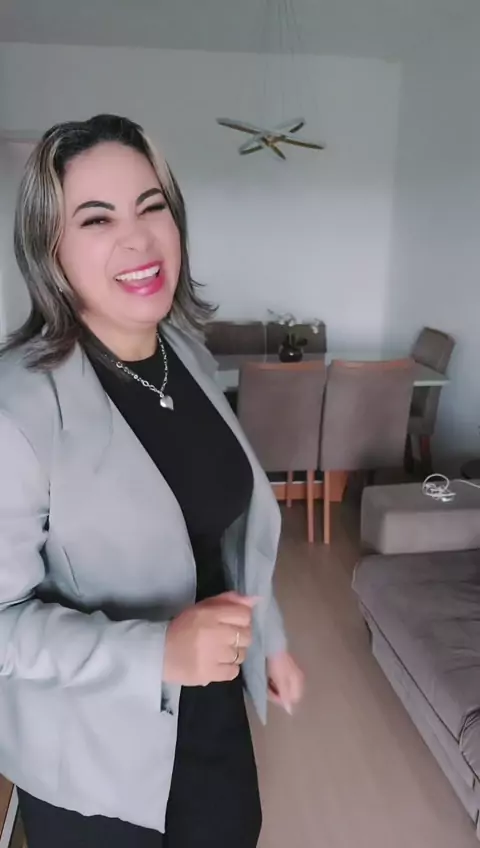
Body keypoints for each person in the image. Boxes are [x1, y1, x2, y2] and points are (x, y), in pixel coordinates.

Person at [0, 114, 304, 848]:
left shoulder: (187, 355)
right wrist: (157, 651)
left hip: (211, 718)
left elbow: (220, 535)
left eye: (151, 206)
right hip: (92, 766)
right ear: (50, 249)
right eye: (96, 218)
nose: (138, 238)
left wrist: (269, 637)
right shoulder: (16, 407)